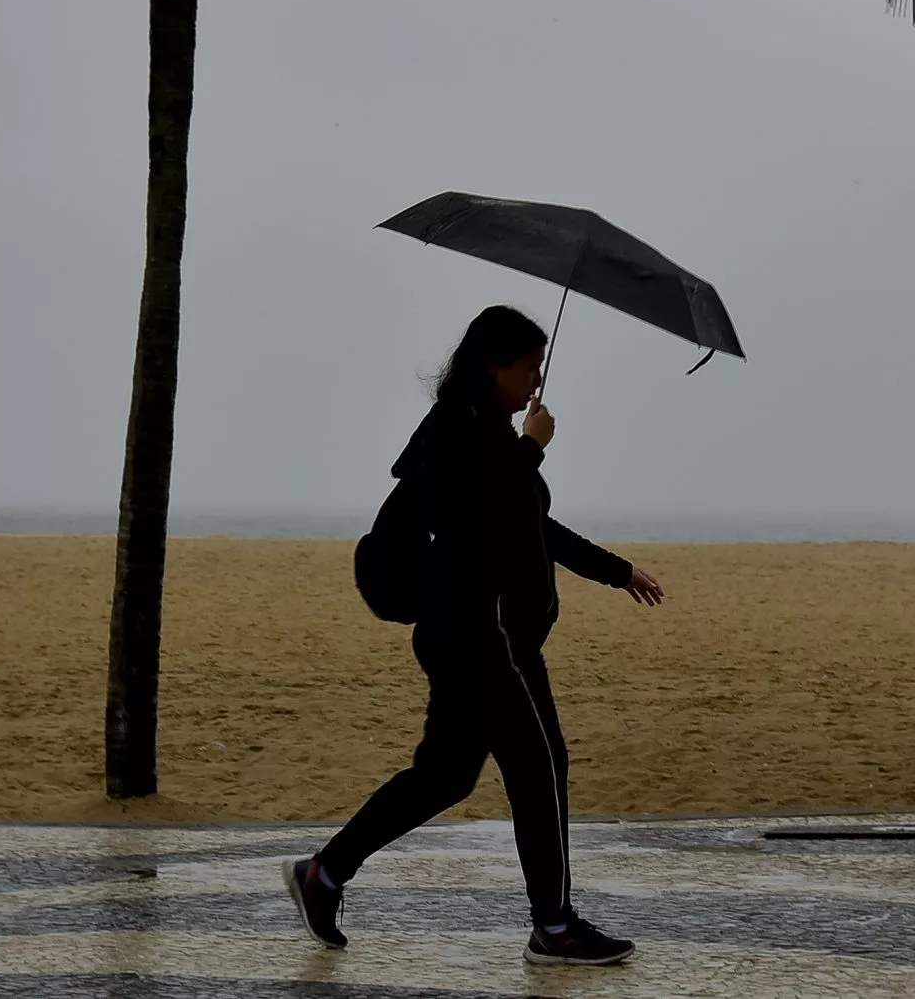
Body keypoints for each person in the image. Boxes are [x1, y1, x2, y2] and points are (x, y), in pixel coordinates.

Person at [284, 305, 666, 966]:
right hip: (480, 638)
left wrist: (617, 569)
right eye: (529, 366)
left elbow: (532, 524)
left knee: (446, 776)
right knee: (539, 765)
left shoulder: (483, 430)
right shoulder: (458, 432)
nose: (537, 380)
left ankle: (324, 873)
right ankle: (553, 925)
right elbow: (481, 518)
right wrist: (532, 446)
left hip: (489, 637)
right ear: (494, 364)